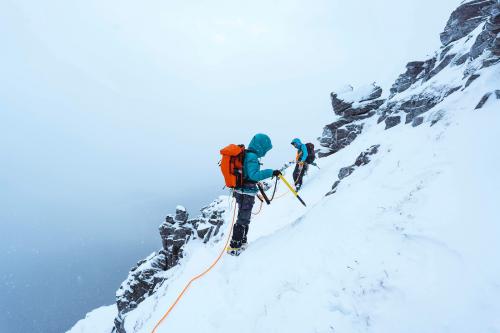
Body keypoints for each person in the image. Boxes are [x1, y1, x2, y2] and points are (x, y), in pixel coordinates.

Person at [228, 133, 281, 255]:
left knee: (243, 216)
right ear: (260, 146)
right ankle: (234, 246)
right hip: (246, 192)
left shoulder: (246, 154)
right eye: (265, 149)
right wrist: (271, 172)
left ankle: (242, 241)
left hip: (241, 190)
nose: (265, 152)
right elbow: (253, 175)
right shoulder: (252, 157)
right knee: (243, 218)